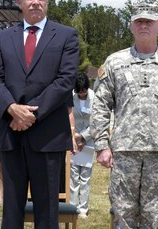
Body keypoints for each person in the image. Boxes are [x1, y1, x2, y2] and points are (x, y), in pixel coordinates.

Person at [90, 2, 158, 229]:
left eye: (149, 21)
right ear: (131, 27)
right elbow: (100, 104)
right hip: (124, 151)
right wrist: (101, 145)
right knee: (123, 215)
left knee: (153, 216)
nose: (144, 26)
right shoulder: (114, 62)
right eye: (139, 21)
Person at [0, 0, 79, 229]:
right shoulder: (4, 38)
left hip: (48, 137)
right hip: (11, 136)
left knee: (48, 215)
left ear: (48, 2)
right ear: (19, 2)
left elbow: (65, 81)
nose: (36, 2)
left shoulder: (66, 36)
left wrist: (30, 115)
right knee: (12, 212)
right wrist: (12, 109)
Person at [69, 73, 95, 218]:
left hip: (89, 141)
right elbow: (68, 117)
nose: (82, 94)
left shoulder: (94, 98)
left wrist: (83, 137)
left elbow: (97, 121)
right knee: (73, 176)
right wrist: (74, 137)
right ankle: (73, 207)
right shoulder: (72, 97)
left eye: (84, 91)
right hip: (73, 141)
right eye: (79, 92)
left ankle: (83, 208)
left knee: (85, 177)